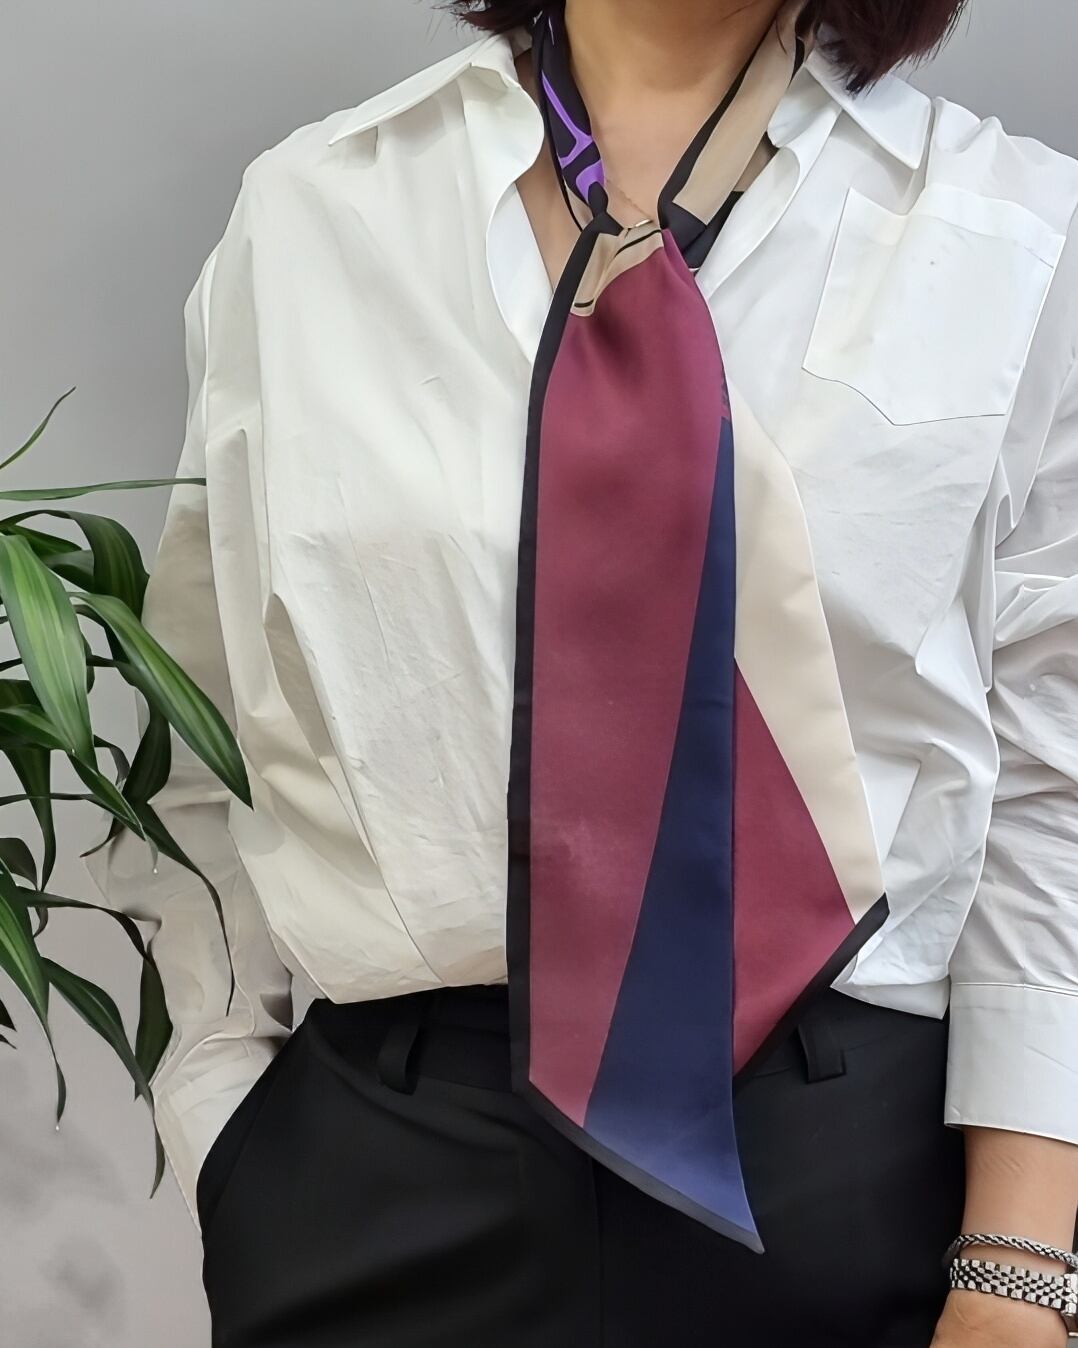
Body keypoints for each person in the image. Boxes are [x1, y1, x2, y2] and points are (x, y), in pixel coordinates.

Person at [86, 0, 1078, 1344]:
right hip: (391, 1171)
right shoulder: (310, 214)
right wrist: (232, 1139)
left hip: (847, 1174)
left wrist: (1017, 1266)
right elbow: (206, 725)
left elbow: (1051, 788)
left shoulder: (1015, 236)